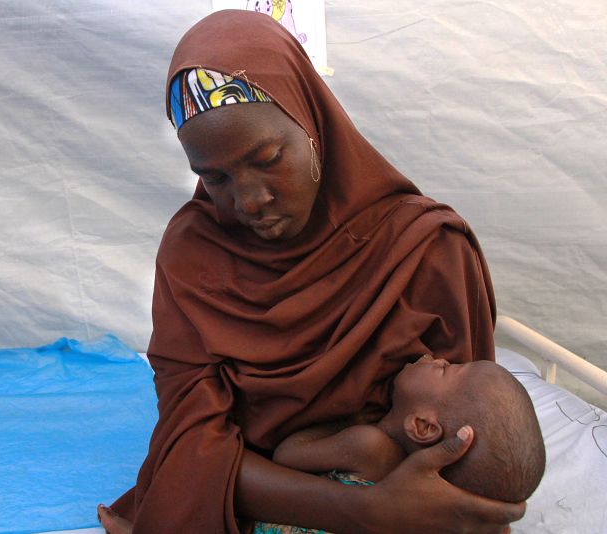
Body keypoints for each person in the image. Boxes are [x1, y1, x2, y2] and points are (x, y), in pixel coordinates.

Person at [99, 9, 526, 533]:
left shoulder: (427, 249)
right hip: (266, 502)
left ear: (313, 125)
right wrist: (363, 511)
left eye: (270, 157)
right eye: (215, 179)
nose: (250, 200)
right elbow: (189, 444)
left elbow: (465, 439)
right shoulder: (194, 257)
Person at [253, 356, 546, 533]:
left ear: (423, 426)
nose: (439, 358)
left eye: (447, 369)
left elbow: (285, 454)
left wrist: (346, 419)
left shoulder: (368, 446)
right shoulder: (434, 517)